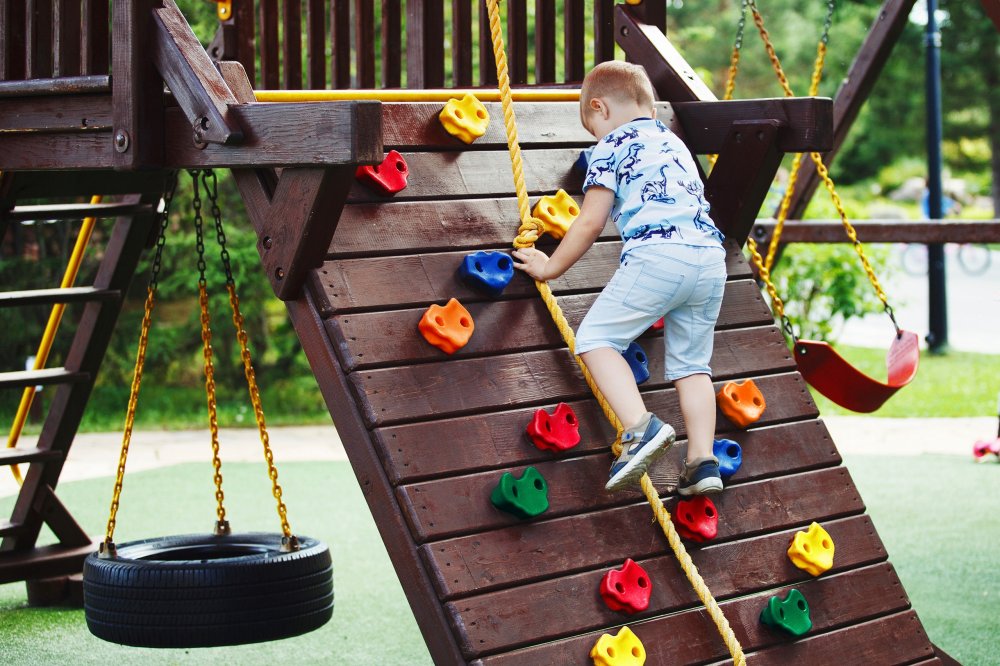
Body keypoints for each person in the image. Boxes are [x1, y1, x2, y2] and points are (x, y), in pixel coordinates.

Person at [512, 61, 727, 494]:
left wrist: (549, 266)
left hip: (659, 255)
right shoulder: (675, 143)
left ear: (600, 108)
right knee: (691, 366)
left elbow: (590, 223)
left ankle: (639, 428)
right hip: (710, 259)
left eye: (592, 126)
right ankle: (702, 462)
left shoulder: (611, 146)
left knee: (596, 339)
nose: (596, 136)